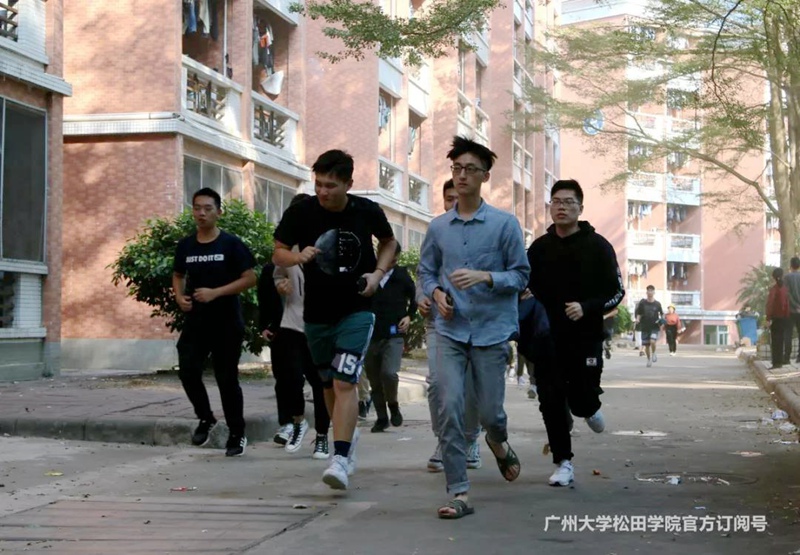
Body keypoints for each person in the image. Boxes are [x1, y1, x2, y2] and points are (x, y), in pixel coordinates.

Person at [419, 136, 530, 519]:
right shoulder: (438, 228)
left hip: (491, 330)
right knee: (448, 406)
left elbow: (521, 275)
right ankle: (459, 492)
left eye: (470, 169)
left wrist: (486, 276)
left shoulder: (504, 224)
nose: (462, 175)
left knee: (490, 414)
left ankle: (498, 442)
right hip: (449, 330)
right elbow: (426, 272)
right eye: (457, 169)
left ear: (485, 176)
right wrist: (436, 293)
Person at [272, 149, 397, 490]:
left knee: (344, 381)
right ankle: (347, 437)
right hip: (316, 315)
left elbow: (389, 243)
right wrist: (297, 256)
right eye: (318, 184)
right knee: (328, 383)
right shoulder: (302, 212)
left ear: (348, 184)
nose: (323, 192)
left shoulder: (366, 211)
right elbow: (278, 251)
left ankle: (339, 458)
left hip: (357, 309)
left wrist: (378, 274)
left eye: (331, 185)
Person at [527, 179, 624, 487]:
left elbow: (617, 292)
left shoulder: (598, 246)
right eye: (556, 201)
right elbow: (525, 285)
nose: (562, 207)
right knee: (550, 398)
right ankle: (563, 462)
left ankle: (589, 408)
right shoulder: (539, 249)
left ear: (580, 208)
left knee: (581, 400)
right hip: (548, 339)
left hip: (586, 338)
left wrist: (587, 307)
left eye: (568, 202)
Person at [172, 188, 257, 457]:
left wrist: (216, 292)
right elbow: (178, 274)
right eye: (197, 208)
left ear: (218, 212)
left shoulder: (230, 244)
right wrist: (179, 297)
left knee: (226, 378)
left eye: (208, 208)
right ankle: (206, 417)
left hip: (226, 321)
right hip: (196, 321)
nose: (202, 213)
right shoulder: (186, 246)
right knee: (187, 369)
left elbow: (250, 278)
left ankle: (237, 433)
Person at [417, 179, 483, 473]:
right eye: (448, 198)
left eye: (458, 196)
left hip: (475, 324)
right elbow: (424, 271)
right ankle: (445, 441)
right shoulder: (437, 229)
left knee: (468, 387)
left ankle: (470, 439)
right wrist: (423, 297)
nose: (453, 202)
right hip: (439, 323)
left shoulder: (487, 230)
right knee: (437, 385)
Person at [262, 193, 332, 458]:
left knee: (320, 382)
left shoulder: (326, 244)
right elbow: (277, 273)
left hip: (320, 324)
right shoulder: (287, 250)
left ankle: (322, 435)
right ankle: (298, 422)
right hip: (291, 322)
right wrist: (280, 284)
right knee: (290, 378)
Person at [364, 242, 417, 433]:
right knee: (374, 380)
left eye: (394, 260)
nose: (390, 262)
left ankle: (393, 404)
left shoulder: (401, 275)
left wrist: (409, 316)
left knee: (389, 373)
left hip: (394, 334)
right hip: (371, 335)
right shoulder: (369, 274)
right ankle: (381, 417)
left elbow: (415, 298)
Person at [766, 267, 792, 369]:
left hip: (775, 317)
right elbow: (787, 303)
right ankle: (780, 361)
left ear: (773, 277)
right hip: (785, 317)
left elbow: (770, 304)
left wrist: (768, 318)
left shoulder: (774, 289)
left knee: (775, 341)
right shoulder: (785, 289)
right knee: (781, 340)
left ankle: (776, 362)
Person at [635, 286, 664, 368]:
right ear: (646, 292)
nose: (650, 292)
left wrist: (662, 320)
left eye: (651, 291)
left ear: (654, 292)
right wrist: (637, 319)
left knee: (652, 341)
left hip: (654, 326)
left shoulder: (657, 304)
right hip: (644, 326)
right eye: (648, 291)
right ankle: (648, 359)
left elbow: (661, 314)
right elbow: (639, 313)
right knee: (647, 345)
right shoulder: (642, 303)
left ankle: (654, 353)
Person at [784, 257, 800, 364]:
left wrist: (795, 305)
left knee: (788, 334)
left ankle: (787, 358)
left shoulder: (787, 277)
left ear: (791, 265)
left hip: (790, 310)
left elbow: (787, 294)